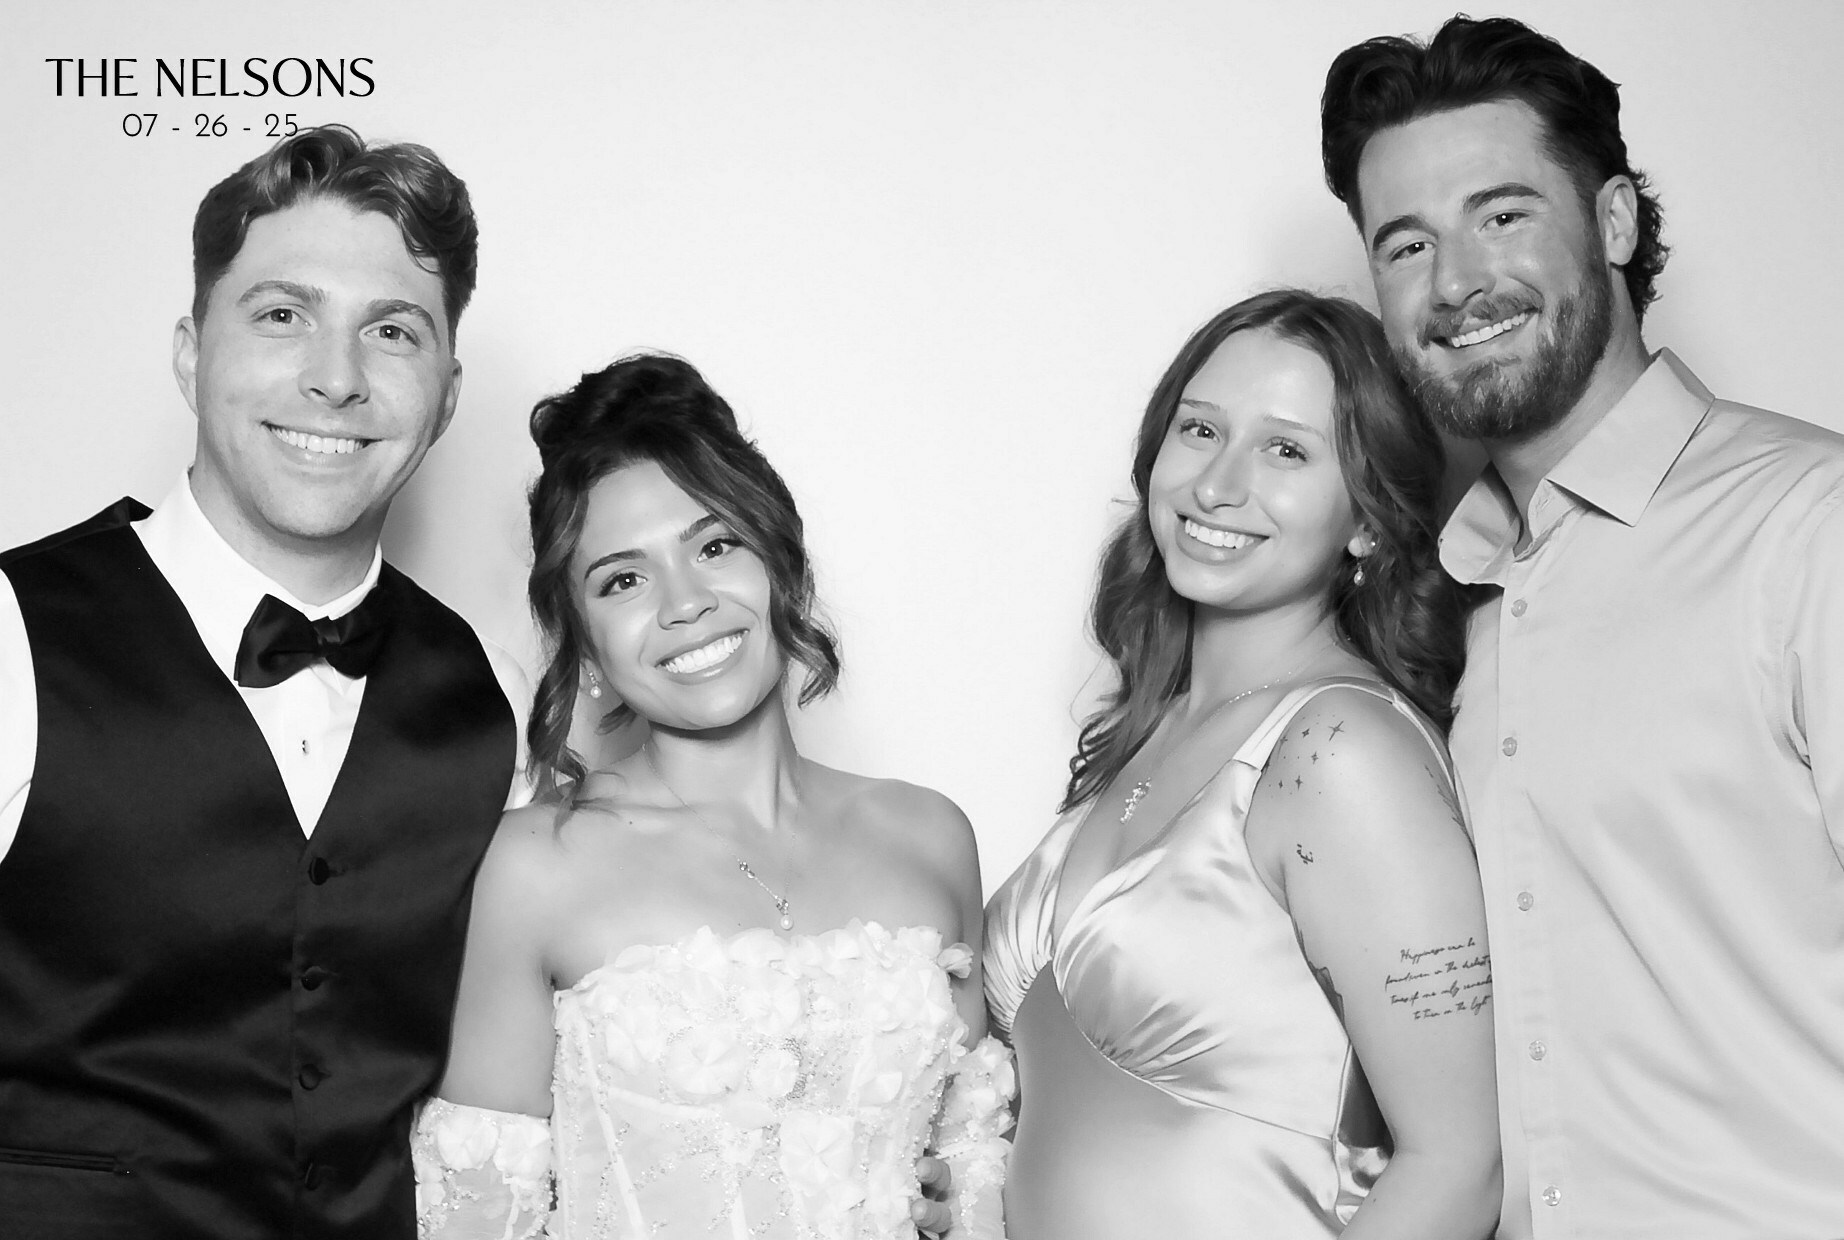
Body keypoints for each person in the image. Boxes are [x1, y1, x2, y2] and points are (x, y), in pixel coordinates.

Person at [1321, 16, 1844, 1238]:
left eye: (1500, 215)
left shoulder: (1806, 530)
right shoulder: (1438, 606)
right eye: (1406, 244)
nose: (1454, 283)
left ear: (1611, 223)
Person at [0, 126, 529, 1238]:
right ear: (191, 353)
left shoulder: (497, 699)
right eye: (283, 315)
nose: (335, 378)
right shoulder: (11, 630)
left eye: (392, 331)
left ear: (445, 395)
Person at [411, 354, 1012, 1239]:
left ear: (781, 567)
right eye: (623, 579)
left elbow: (972, 1168)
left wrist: (956, 1203)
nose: (685, 602)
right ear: (583, 645)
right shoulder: (532, 869)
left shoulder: (930, 834)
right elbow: (476, 1221)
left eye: (715, 545)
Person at [984, 289, 1500, 1239]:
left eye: (1286, 450)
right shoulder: (1152, 728)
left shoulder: (1340, 752)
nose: (1218, 486)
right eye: (1201, 429)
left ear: (1368, 520)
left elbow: (1461, 1168)